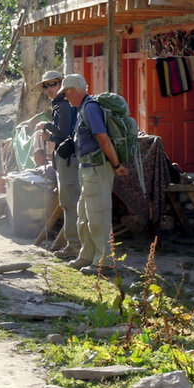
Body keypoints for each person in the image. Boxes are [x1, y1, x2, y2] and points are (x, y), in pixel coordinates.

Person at [58, 74, 129, 274]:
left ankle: (104, 262)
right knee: (84, 215)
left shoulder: (90, 108)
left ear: (72, 90)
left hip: (97, 168)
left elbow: (103, 138)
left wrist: (116, 165)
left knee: (98, 216)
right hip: (87, 169)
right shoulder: (83, 108)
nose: (66, 97)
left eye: (65, 93)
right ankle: (87, 255)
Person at [34, 70, 81, 259]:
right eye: (46, 85)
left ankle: (75, 245)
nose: (49, 88)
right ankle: (74, 243)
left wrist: (46, 126)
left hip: (69, 158)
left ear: (62, 84)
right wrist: (51, 134)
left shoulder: (63, 105)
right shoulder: (62, 104)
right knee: (69, 201)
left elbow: (63, 131)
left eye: (53, 84)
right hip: (67, 155)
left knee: (70, 202)